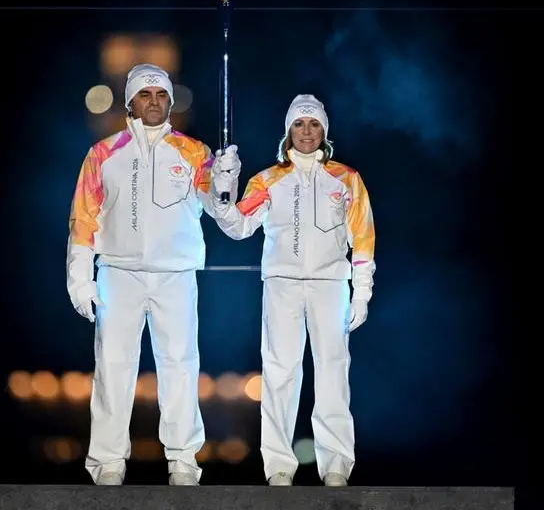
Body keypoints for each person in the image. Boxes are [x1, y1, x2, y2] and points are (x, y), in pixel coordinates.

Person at [65, 63, 241, 486]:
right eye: (146, 95)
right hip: (118, 273)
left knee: (180, 366)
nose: (155, 102)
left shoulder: (195, 153)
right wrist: (80, 278)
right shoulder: (103, 153)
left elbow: (219, 210)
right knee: (112, 367)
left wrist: (226, 179)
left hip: (175, 274)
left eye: (161, 95)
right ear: (130, 102)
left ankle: (183, 461)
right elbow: (83, 220)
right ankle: (107, 462)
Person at [210, 94, 376, 487]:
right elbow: (236, 226)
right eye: (299, 124)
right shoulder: (268, 180)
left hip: (330, 284)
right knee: (280, 374)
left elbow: (363, 237)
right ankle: (279, 466)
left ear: (324, 131)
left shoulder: (347, 178)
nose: (306, 132)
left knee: (333, 374)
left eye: (314, 124)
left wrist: (361, 291)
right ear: (288, 131)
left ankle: (335, 464)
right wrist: (223, 186)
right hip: (282, 285)